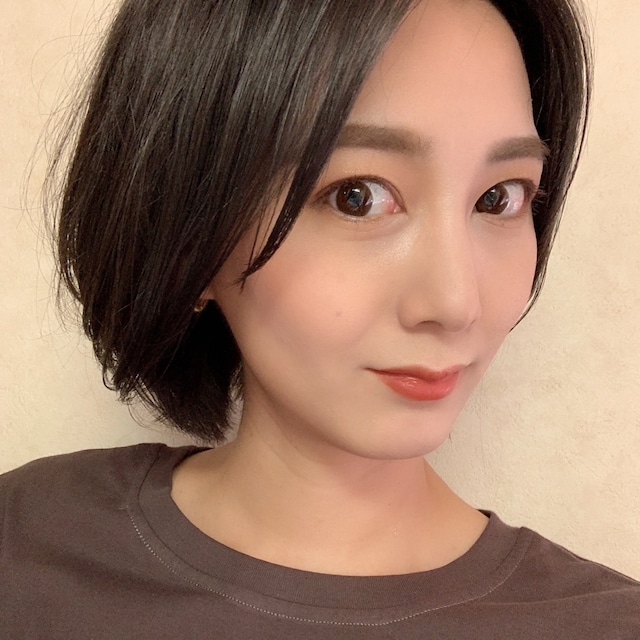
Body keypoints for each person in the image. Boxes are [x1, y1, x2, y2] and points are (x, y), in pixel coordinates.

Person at [1, 0, 639, 636]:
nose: (455, 303)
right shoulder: (25, 547)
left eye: (498, 198)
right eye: (356, 197)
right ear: (191, 241)